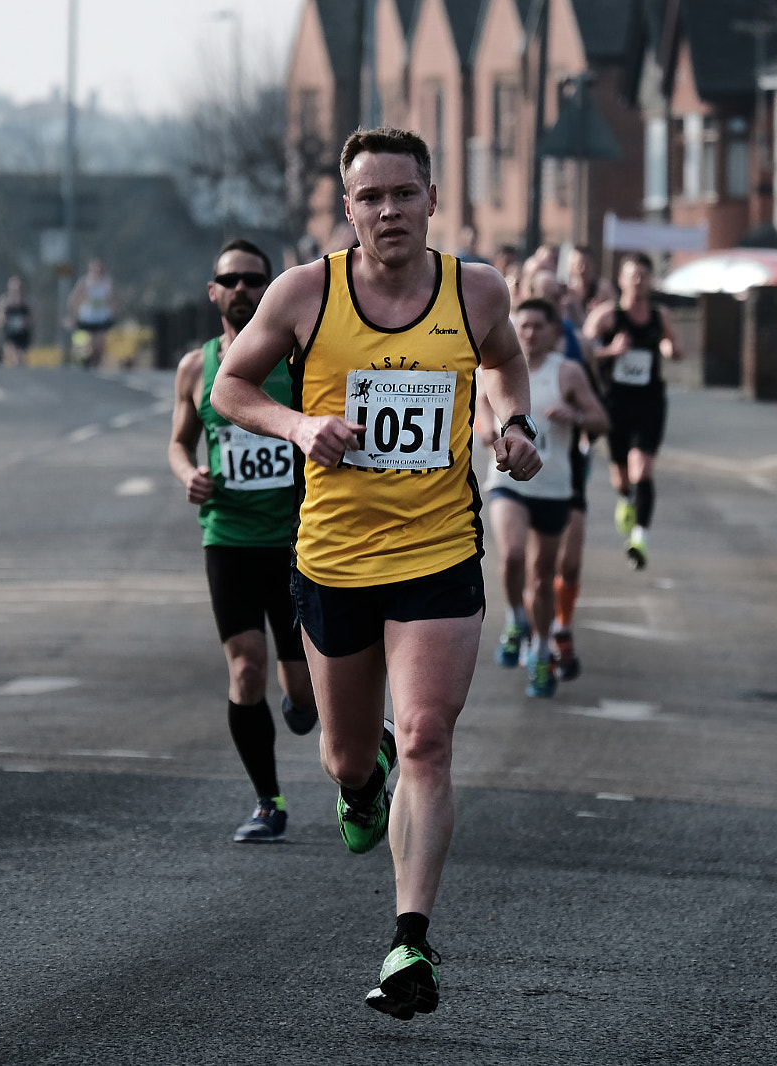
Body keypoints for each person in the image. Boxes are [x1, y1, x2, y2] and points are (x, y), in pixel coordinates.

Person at [211, 126, 541, 1021]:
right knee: (346, 754)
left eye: (404, 193)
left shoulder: (475, 291)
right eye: (370, 197)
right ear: (347, 208)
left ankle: (410, 942)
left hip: (439, 553)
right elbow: (229, 389)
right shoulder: (304, 293)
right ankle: (365, 777)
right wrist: (296, 426)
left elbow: (506, 361)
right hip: (333, 561)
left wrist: (515, 429)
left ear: (433, 199)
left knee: (430, 734)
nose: (388, 210)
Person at [168, 238, 320, 843]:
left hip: (293, 538)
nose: (241, 289)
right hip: (227, 537)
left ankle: (305, 706)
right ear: (213, 292)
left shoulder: (297, 361)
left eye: (253, 280)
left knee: (303, 694)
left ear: (269, 288)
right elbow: (179, 442)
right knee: (245, 669)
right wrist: (189, 475)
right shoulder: (195, 367)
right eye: (229, 280)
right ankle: (268, 800)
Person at [477, 298, 608, 697]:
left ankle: (539, 650)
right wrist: (487, 431)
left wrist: (578, 417)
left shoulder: (566, 373)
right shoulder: (494, 367)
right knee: (514, 555)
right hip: (507, 482)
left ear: (554, 333)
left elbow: (601, 419)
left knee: (542, 576)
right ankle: (517, 617)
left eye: (538, 326)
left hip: (553, 486)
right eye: (524, 325)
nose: (530, 332)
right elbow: (482, 409)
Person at [583, 252, 684, 569]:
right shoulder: (607, 316)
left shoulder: (659, 315)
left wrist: (670, 349)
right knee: (621, 477)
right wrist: (611, 350)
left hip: (650, 402)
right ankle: (626, 499)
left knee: (642, 469)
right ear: (621, 280)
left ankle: (640, 536)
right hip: (615, 403)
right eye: (633, 275)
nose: (639, 281)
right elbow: (579, 353)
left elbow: (673, 345)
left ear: (651, 280)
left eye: (644, 275)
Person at [69, 257, 116, 369]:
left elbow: (114, 299)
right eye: (96, 269)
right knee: (89, 344)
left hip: (102, 318)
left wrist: (113, 312)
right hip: (87, 318)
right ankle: (86, 363)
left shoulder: (108, 283)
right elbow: (74, 299)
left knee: (100, 345)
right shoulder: (84, 282)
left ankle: (96, 365)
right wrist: (74, 313)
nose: (98, 271)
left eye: (100, 269)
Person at [0, 276, 33, 367]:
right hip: (10, 333)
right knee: (13, 355)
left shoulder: (26, 301)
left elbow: (34, 315)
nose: (16, 291)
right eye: (14, 288)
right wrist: (0, 320)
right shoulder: (5, 300)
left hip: (23, 334)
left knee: (21, 359)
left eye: (19, 288)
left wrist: (28, 322)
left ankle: (20, 373)